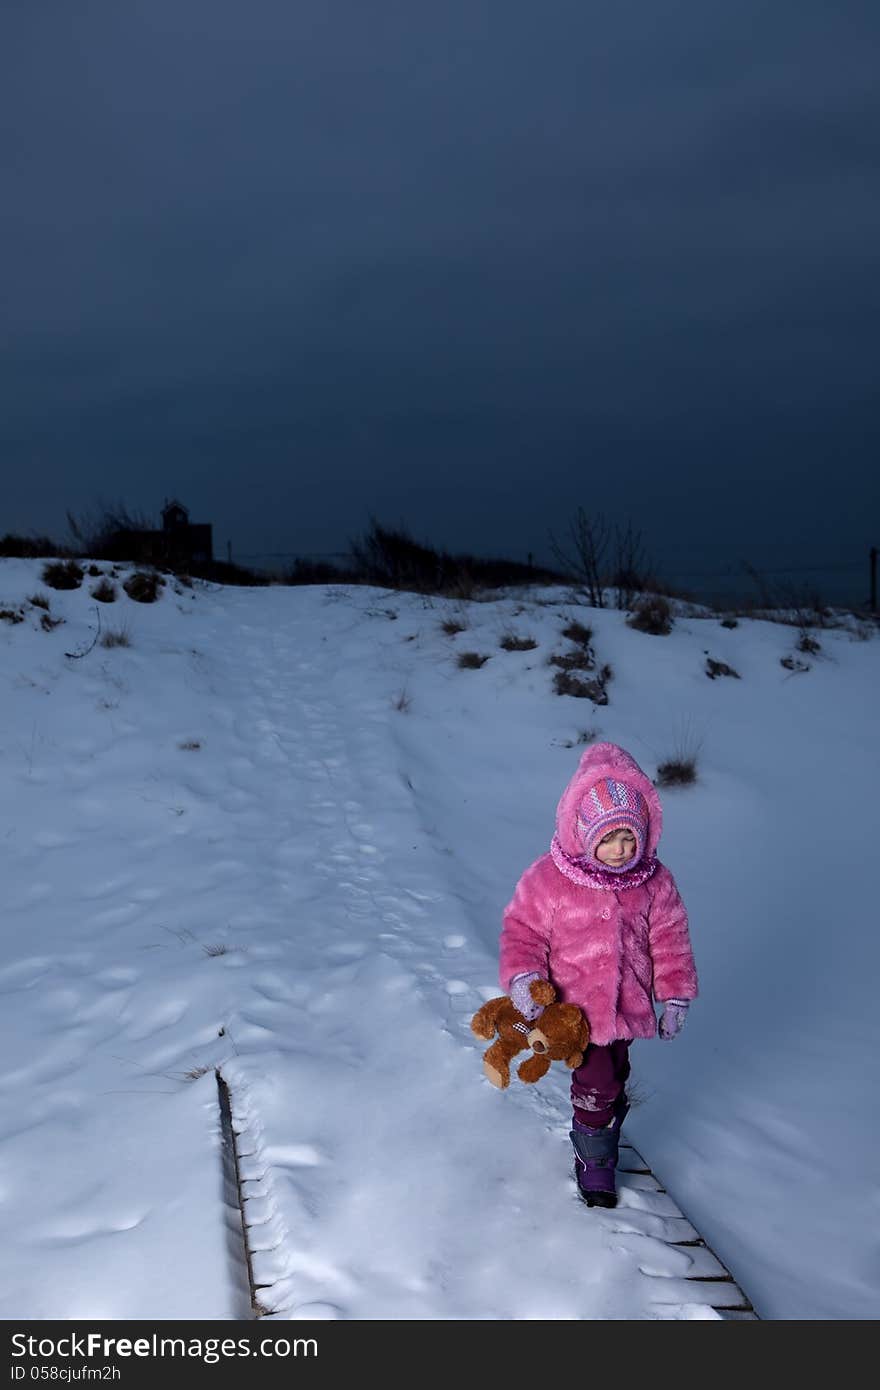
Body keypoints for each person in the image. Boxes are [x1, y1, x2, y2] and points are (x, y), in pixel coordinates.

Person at [499, 741, 698, 1208]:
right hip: (573, 1011)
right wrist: (525, 977)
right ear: (585, 833)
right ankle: (596, 1162)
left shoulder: (654, 881)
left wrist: (674, 995)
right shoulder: (550, 878)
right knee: (596, 1083)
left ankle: (604, 1117)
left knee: (616, 1074)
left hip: (628, 1007)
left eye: (628, 837)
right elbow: (522, 930)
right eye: (608, 838)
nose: (619, 849)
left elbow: (670, 939)